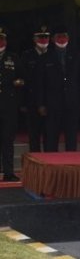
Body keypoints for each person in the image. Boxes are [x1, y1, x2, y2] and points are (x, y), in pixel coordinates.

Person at [36, 26, 80, 152]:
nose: (62, 39)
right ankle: (51, 165)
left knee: (71, 136)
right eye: (59, 36)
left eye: (64, 36)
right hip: (52, 103)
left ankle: (71, 165)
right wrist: (41, 104)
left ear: (68, 38)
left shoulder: (76, 56)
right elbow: (40, 83)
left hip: (72, 101)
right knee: (51, 136)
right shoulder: (45, 58)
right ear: (53, 39)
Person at [20, 25, 50, 152]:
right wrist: (23, 102)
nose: (43, 40)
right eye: (40, 37)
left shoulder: (53, 54)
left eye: (45, 37)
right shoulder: (27, 56)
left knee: (50, 136)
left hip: (50, 101)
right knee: (34, 136)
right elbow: (23, 81)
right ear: (34, 38)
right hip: (32, 101)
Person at [0, 27, 23, 181]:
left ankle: (8, 172)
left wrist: (19, 82)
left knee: (7, 139)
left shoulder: (13, 57)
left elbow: (22, 78)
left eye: (2, 39)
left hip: (8, 104)